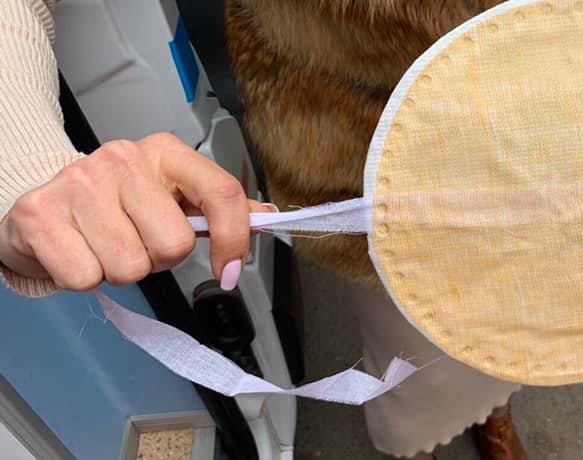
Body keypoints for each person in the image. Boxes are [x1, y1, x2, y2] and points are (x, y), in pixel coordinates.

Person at [0, 1, 525, 459]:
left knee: (522, 316)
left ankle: (495, 410)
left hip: (536, 150)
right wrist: (29, 168)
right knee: (414, 338)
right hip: (364, 145)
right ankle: (415, 443)